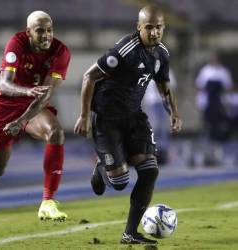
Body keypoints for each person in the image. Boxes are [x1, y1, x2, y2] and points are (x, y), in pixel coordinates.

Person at [74, 5, 182, 245]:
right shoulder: (125, 50)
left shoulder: (162, 53)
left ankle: (130, 233)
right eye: (149, 27)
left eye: (158, 27)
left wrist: (174, 113)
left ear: (164, 28)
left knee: (151, 170)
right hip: (107, 118)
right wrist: (83, 115)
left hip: (134, 116)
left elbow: (164, 87)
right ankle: (103, 169)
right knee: (120, 182)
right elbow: (89, 77)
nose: (154, 32)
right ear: (139, 27)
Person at [0, 10, 71, 235]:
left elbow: (45, 96)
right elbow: (5, 85)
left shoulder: (60, 52)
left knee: (55, 132)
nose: (46, 36)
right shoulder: (16, 43)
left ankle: (47, 202)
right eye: (40, 31)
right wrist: (27, 92)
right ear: (29, 32)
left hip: (35, 106)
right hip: (5, 108)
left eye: (49, 30)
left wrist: (22, 121)